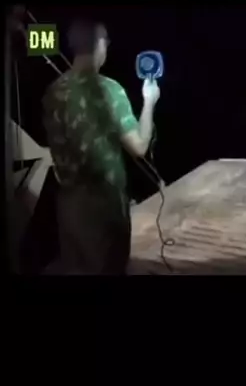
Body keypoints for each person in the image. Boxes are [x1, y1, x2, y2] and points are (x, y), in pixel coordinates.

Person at [42, 18, 160, 274]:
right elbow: (139, 146)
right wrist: (149, 101)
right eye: (105, 42)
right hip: (103, 209)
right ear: (99, 45)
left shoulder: (52, 92)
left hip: (67, 205)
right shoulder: (109, 90)